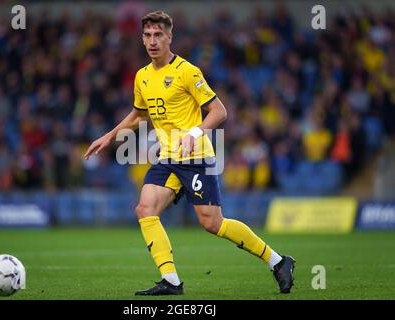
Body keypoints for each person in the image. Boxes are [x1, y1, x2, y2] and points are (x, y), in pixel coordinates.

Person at [84, 11, 295, 295]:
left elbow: (219, 111)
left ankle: (278, 261)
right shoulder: (142, 76)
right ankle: (170, 281)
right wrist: (109, 136)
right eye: (147, 35)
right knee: (145, 209)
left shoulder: (187, 71)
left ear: (170, 37)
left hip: (197, 158)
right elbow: (138, 115)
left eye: (159, 35)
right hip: (168, 158)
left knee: (212, 223)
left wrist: (194, 134)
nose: (153, 41)